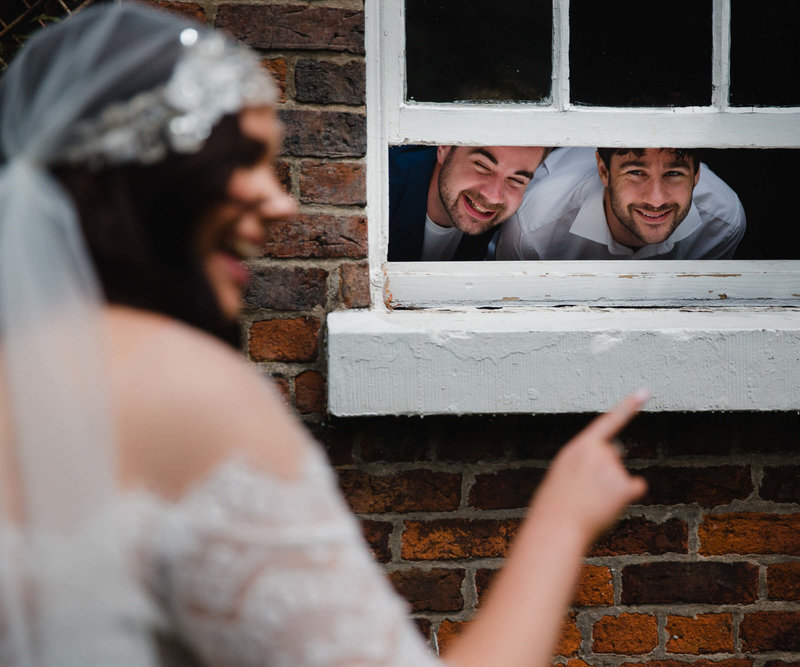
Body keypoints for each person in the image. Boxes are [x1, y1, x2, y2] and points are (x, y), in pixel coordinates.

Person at [0, 4, 648, 666]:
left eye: (518, 178)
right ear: (155, 180)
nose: (281, 202)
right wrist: (564, 518)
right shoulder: (191, 390)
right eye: (244, 161)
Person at [494, 146, 746, 260]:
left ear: (697, 174)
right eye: (636, 173)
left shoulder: (722, 221)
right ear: (604, 171)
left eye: (673, 174)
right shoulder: (533, 227)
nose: (656, 199)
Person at [388, 144, 549, 261]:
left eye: (516, 180)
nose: (494, 196)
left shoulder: (510, 226)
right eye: (482, 165)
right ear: (444, 148)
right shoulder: (378, 195)